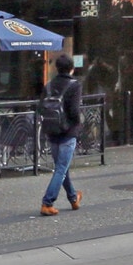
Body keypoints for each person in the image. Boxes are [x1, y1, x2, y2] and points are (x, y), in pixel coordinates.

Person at [39, 51, 84, 215]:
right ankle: (47, 202)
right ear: (72, 69)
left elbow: (40, 108)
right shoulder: (75, 85)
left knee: (61, 167)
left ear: (57, 68)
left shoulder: (49, 85)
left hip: (51, 131)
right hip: (67, 132)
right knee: (61, 169)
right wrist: (78, 125)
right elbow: (74, 111)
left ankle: (73, 198)